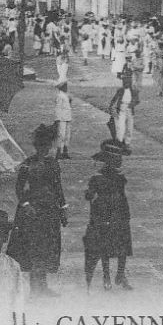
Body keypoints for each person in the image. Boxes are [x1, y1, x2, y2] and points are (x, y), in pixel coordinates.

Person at [6, 124, 67, 297]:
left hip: (50, 211)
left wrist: (63, 208)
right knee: (34, 248)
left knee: (47, 248)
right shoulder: (27, 164)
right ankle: (34, 288)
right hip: (32, 211)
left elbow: (58, 188)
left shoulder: (53, 164)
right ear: (36, 146)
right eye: (41, 145)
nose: (44, 149)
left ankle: (43, 286)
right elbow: (19, 188)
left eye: (46, 145)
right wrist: (26, 206)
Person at [83, 139, 133, 291]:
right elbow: (90, 194)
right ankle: (106, 275)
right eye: (118, 159)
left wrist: (126, 212)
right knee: (105, 245)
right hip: (103, 212)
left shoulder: (120, 177)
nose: (120, 162)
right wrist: (89, 194)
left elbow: (122, 194)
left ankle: (120, 273)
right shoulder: (97, 178)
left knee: (123, 243)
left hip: (119, 211)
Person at [106, 71, 139, 151]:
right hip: (121, 110)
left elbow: (137, 100)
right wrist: (111, 107)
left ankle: (127, 143)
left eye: (128, 82)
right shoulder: (120, 90)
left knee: (129, 128)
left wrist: (132, 104)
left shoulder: (133, 91)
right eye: (125, 82)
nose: (126, 83)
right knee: (121, 127)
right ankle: (119, 142)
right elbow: (114, 99)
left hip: (130, 110)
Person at [53, 82, 73, 159]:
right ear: (61, 88)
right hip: (61, 118)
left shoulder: (66, 95)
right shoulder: (60, 96)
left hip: (67, 117)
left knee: (67, 136)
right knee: (61, 135)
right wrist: (57, 119)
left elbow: (68, 106)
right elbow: (58, 108)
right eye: (65, 87)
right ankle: (58, 153)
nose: (66, 88)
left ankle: (65, 151)